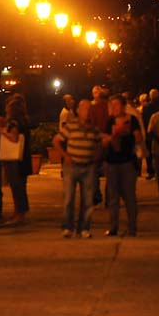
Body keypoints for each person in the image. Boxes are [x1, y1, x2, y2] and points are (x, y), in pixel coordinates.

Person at [54, 98, 101, 238]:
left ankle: (84, 228)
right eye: (84, 109)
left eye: (89, 109)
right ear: (79, 111)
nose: (87, 112)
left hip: (88, 167)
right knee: (69, 199)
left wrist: (96, 157)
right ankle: (68, 227)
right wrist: (65, 156)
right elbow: (56, 141)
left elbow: (99, 144)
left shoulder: (94, 129)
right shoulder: (71, 126)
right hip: (72, 167)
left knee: (88, 200)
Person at [102, 95, 141, 237]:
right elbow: (104, 141)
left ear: (123, 106)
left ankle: (132, 227)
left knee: (129, 196)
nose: (114, 107)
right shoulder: (109, 121)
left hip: (127, 163)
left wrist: (126, 132)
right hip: (111, 163)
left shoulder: (132, 120)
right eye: (112, 105)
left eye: (116, 104)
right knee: (113, 197)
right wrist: (110, 138)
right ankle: (113, 227)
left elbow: (139, 137)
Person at [1, 95, 32, 225]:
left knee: (16, 187)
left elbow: (14, 138)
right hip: (24, 157)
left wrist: (2, 132)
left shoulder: (13, 122)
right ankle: (20, 212)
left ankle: (19, 213)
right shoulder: (25, 121)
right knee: (21, 187)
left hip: (14, 159)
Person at [141, 89, 159, 179]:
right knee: (158, 153)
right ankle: (158, 171)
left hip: (149, 132)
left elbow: (144, 120)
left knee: (149, 154)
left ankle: (151, 171)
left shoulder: (146, 107)